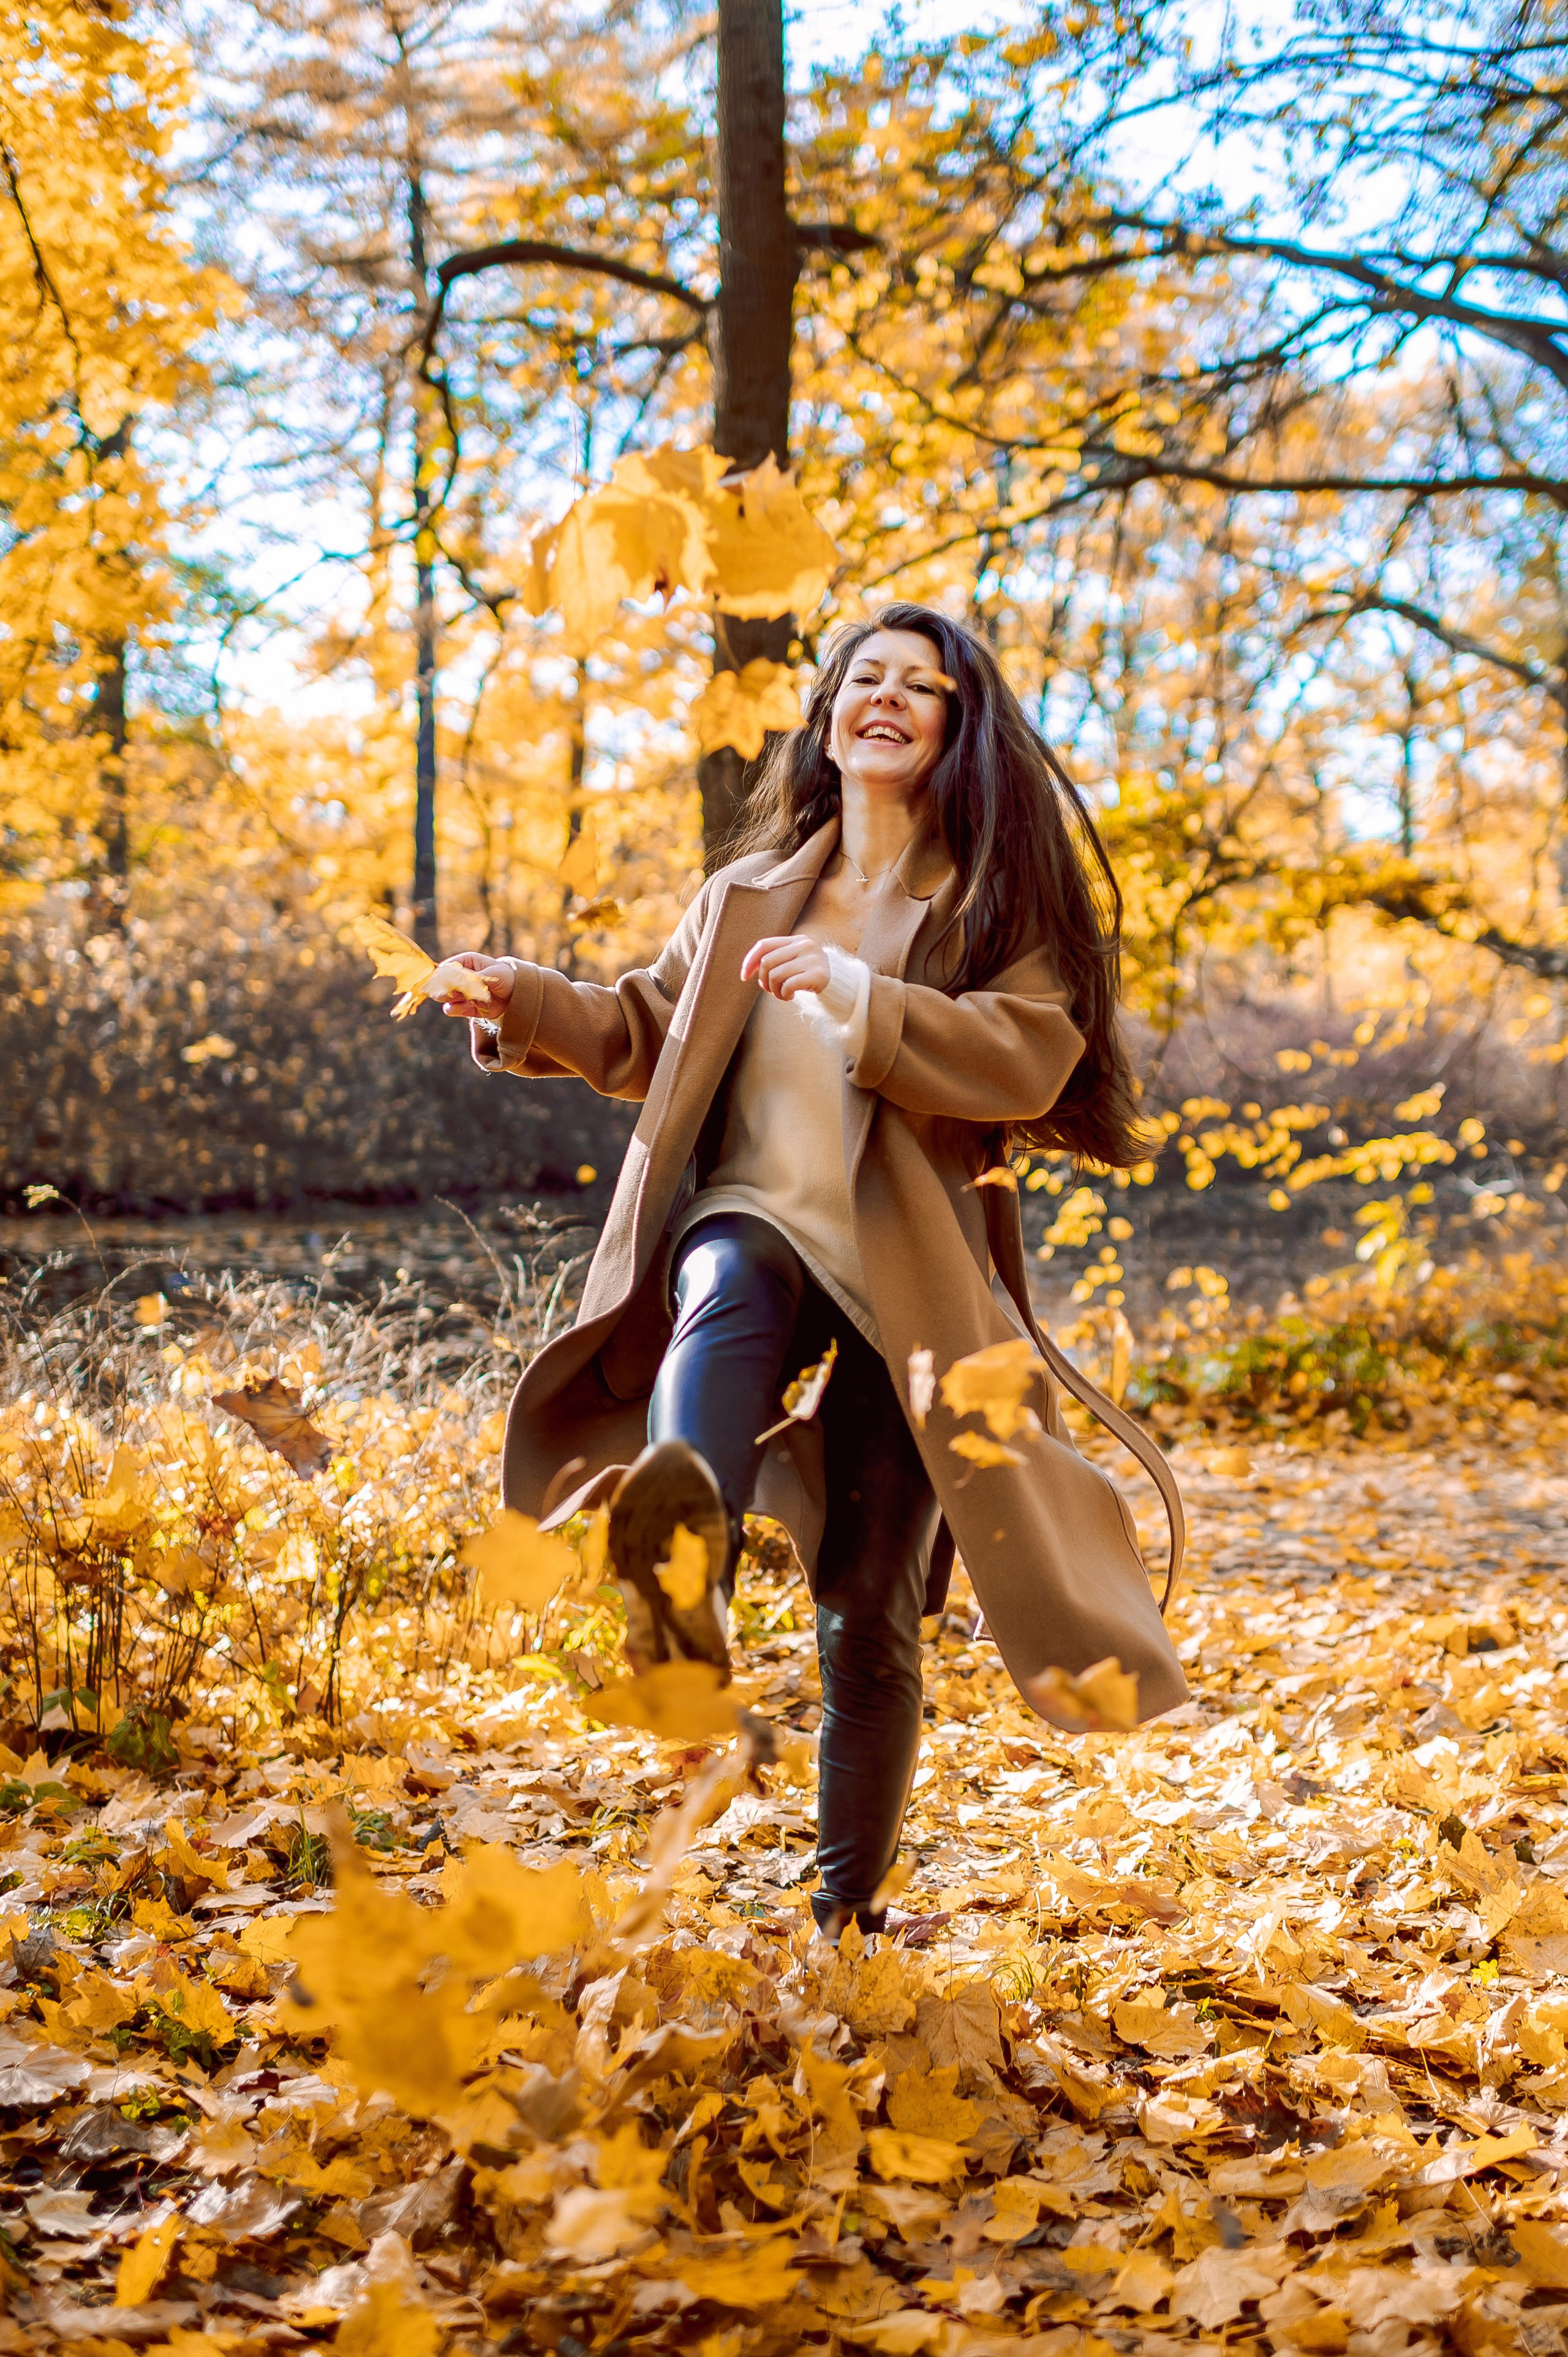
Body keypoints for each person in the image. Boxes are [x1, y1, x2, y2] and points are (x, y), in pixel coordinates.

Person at [439, 602, 1186, 1940]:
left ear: (959, 728)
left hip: (913, 1294)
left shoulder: (983, 901)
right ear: (828, 715)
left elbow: (1030, 1050)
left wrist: (861, 1000)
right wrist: (519, 998)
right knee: (724, 1281)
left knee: (868, 1601)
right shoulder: (744, 895)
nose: (886, 698)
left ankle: (842, 1908)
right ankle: (681, 1559)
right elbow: (639, 1034)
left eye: (922, 686)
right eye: (864, 678)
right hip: (756, 1217)